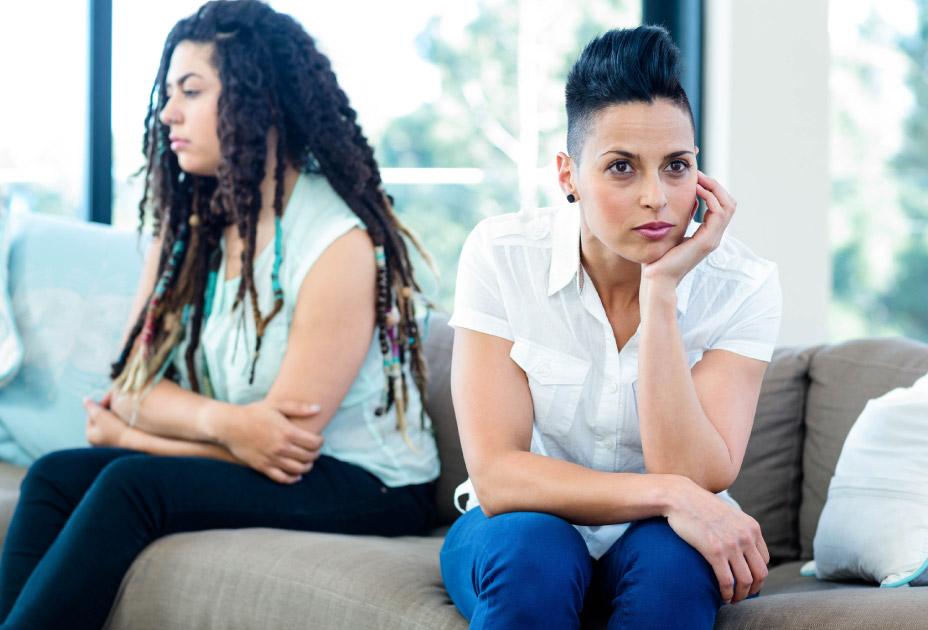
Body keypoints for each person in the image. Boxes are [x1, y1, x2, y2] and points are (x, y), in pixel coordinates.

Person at [0, 2, 439, 628]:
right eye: (168, 92)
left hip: (366, 483)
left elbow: (280, 450)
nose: (167, 112)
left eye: (192, 91)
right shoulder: (188, 228)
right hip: (263, 451)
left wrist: (133, 439)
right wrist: (221, 421)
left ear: (259, 102)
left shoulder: (336, 241)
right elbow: (131, 385)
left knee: (130, 486)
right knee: (52, 476)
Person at [440, 25, 782, 629]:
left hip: (663, 539)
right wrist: (670, 494)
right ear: (568, 175)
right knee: (533, 556)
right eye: (622, 167)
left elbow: (701, 473)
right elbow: (497, 474)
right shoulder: (500, 253)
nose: (657, 197)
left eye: (676, 166)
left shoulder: (744, 285)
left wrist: (661, 294)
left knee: (675, 571)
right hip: (522, 528)